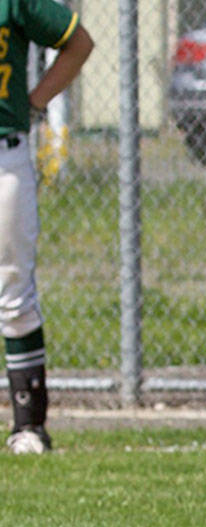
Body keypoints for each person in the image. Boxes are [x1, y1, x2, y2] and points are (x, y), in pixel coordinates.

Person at [1, 5, 93, 454]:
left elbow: (78, 43)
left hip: (5, 153)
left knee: (13, 290)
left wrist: (35, 102)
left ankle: (29, 425)